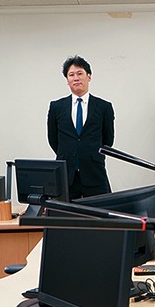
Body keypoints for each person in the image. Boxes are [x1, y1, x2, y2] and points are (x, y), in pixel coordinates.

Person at [47, 55, 115, 199]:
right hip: (66, 175)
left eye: (80, 73)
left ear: (89, 76)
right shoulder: (56, 107)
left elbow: (108, 140)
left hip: (94, 173)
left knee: (101, 212)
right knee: (63, 213)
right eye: (71, 75)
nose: (76, 78)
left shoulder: (104, 107)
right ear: (67, 80)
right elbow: (53, 139)